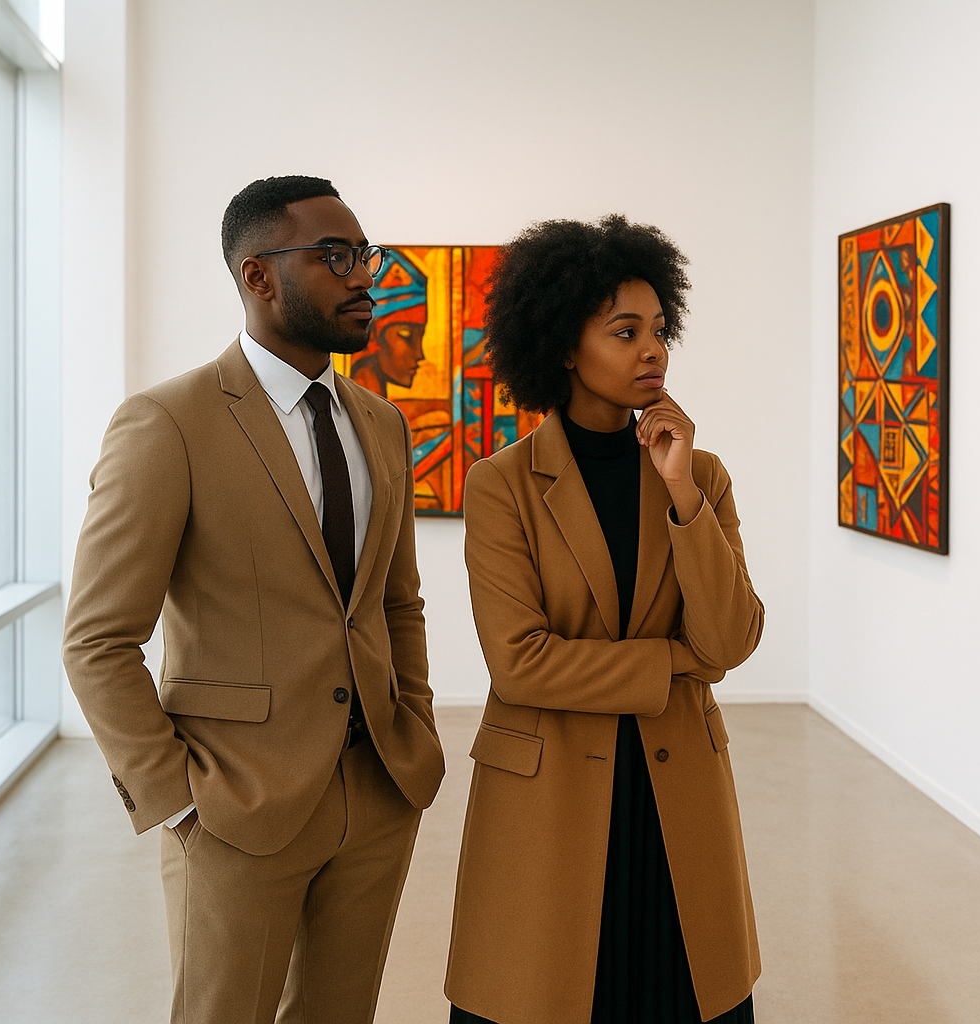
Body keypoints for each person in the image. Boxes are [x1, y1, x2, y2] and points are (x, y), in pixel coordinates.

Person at [62, 175, 445, 1024]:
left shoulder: (381, 424)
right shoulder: (167, 423)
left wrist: (413, 726)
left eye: (365, 255)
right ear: (257, 277)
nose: (363, 277)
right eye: (334, 256)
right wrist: (179, 800)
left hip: (377, 790)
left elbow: (396, 601)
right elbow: (97, 639)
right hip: (234, 805)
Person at [445, 215, 764, 1024]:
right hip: (548, 795)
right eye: (625, 332)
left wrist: (682, 491)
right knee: (544, 990)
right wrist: (671, 664)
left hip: (675, 791)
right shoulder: (501, 485)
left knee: (679, 985)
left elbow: (729, 640)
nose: (653, 350)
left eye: (660, 330)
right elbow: (521, 663)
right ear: (562, 346)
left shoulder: (703, 475)